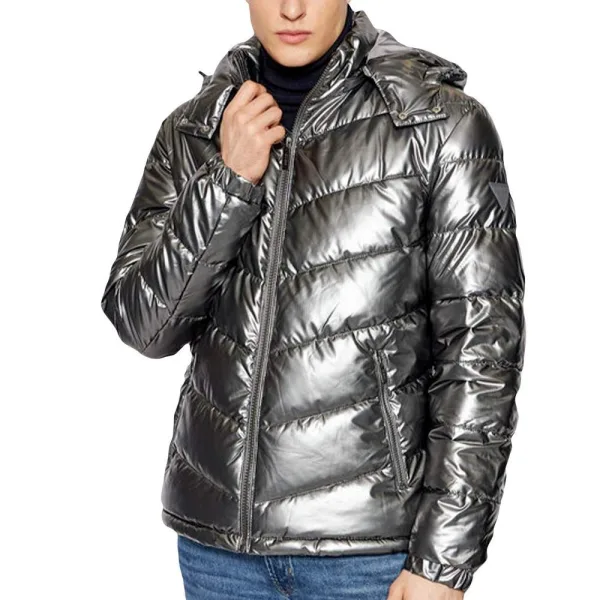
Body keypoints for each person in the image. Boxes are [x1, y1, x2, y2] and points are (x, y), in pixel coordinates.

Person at [100, 1, 526, 598]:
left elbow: (481, 352)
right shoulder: (195, 130)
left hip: (371, 555)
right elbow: (144, 326)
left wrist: (444, 559)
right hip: (220, 553)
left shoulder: (437, 124)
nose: (292, 8)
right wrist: (228, 180)